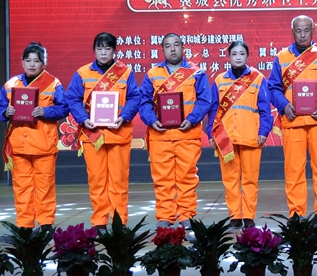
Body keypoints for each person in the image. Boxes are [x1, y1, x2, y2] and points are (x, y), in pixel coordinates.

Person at [267, 15, 317, 223]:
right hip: (293, 122)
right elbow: (273, 88)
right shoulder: (282, 57)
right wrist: (284, 105)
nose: (302, 35)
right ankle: (296, 214)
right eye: (298, 31)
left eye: (306, 30)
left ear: (313, 31)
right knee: (293, 171)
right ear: (292, 32)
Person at [66, 32, 140, 227]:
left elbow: (135, 97)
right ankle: (99, 221)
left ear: (114, 51)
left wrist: (124, 117)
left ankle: (119, 222)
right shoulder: (82, 73)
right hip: (93, 134)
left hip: (118, 133)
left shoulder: (125, 72)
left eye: (108, 48)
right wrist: (84, 119)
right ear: (94, 50)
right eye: (100, 48)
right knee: (97, 180)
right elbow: (72, 98)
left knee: (119, 181)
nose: (104, 52)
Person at [0, 42, 68, 230]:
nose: (32, 64)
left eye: (37, 61)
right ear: (22, 62)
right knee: (22, 188)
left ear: (44, 63)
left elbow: (64, 108)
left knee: (45, 188)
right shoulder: (11, 85)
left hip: (44, 146)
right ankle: (25, 226)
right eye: (28, 60)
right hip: (19, 146)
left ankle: (45, 225)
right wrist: (6, 112)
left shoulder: (53, 83)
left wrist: (45, 111)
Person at [139, 34, 211, 230]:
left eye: (176, 45)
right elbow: (144, 102)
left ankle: (187, 215)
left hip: (187, 134)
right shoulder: (153, 74)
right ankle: (165, 216)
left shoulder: (196, 73)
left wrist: (192, 119)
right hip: (160, 135)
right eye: (168, 46)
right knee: (162, 180)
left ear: (183, 48)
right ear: (162, 50)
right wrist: (152, 120)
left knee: (187, 178)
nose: (172, 49)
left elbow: (205, 100)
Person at [205, 40, 273, 229]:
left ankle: (249, 216)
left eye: (241, 54)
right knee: (230, 180)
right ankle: (235, 216)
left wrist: (264, 131)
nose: (238, 57)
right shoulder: (220, 80)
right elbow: (213, 110)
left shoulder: (258, 79)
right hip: (225, 138)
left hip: (251, 136)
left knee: (250, 179)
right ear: (228, 56)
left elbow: (265, 109)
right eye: (234, 54)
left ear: (247, 56)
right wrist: (211, 133)